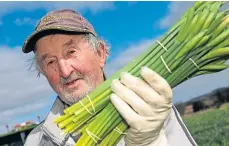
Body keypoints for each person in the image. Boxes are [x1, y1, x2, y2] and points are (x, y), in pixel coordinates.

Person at [22, 9, 197, 146]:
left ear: (101, 53)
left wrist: (152, 142)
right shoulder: (36, 141)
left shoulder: (150, 110)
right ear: (43, 73)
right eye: (50, 62)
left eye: (71, 52)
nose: (65, 71)